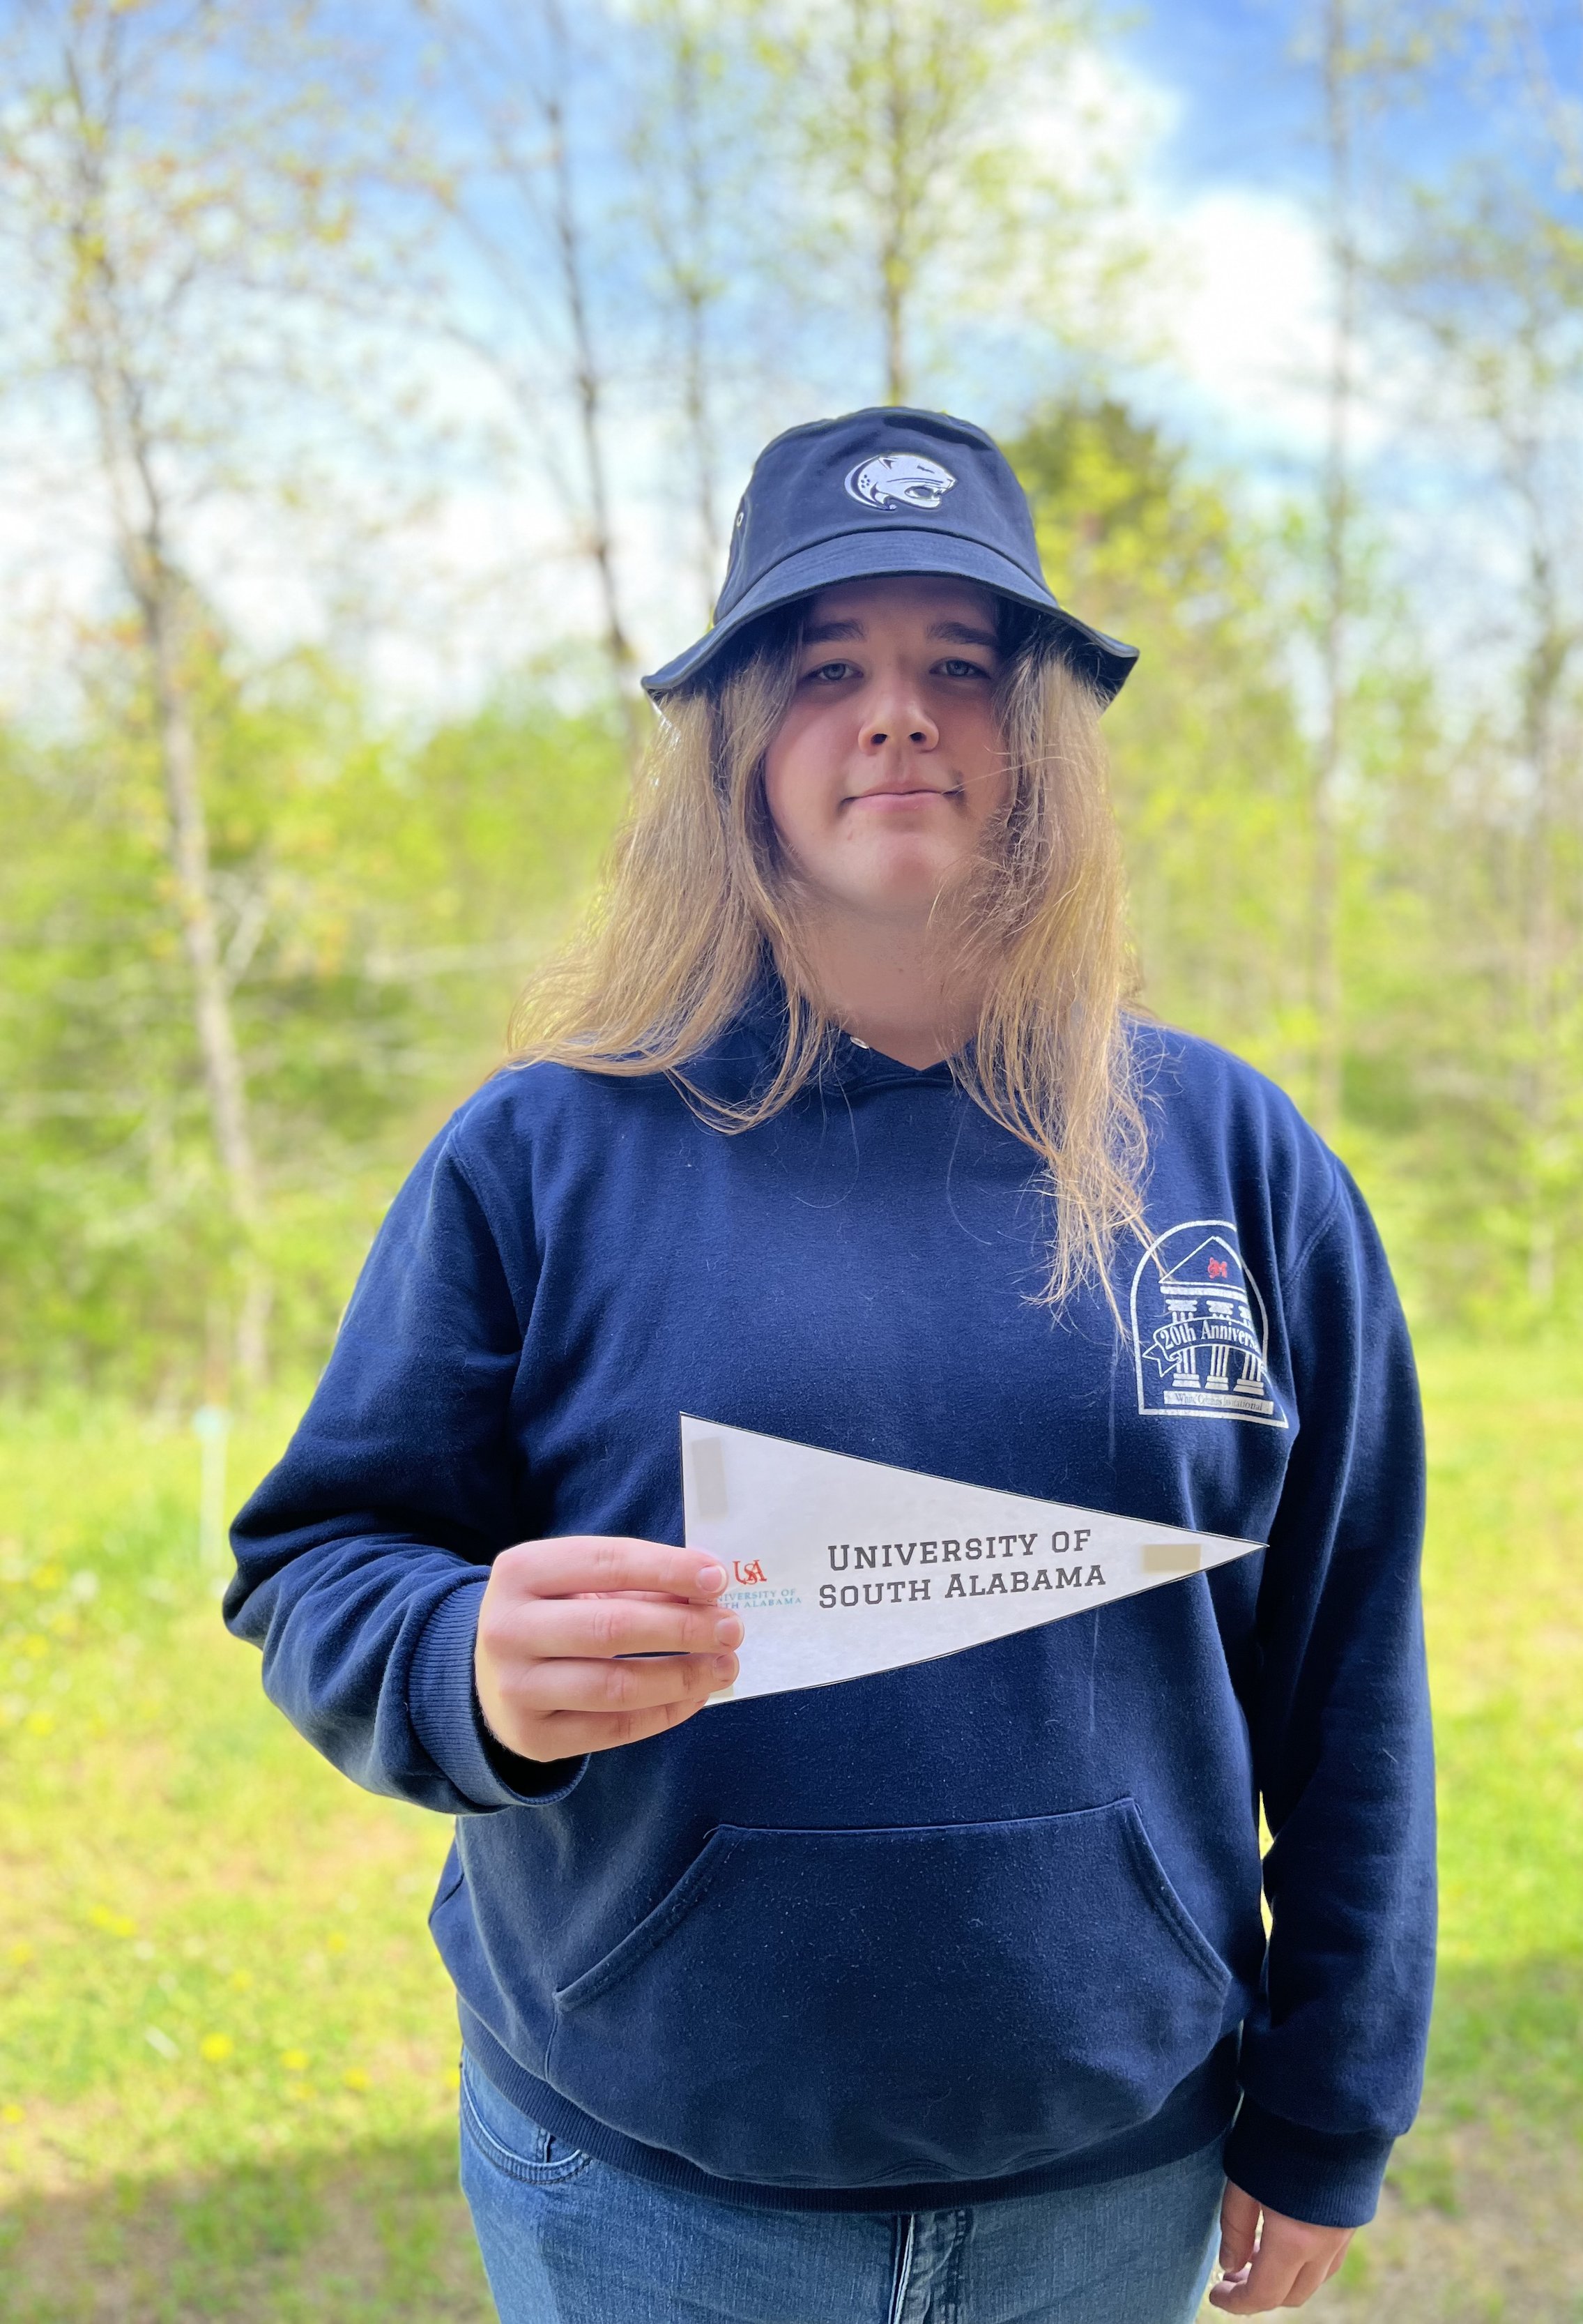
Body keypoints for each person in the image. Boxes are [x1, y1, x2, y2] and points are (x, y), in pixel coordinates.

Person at [226, 407, 1435, 2324]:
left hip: (1107, 2188)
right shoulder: (546, 1152)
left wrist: (1327, 2110)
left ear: (1039, 743)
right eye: (827, 671)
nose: (899, 717)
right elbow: (316, 1564)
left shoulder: (1234, 1161)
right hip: (642, 2193)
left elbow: (1348, 1667)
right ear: (733, 747)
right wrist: (458, 1663)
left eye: (961, 665)